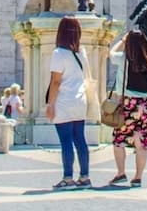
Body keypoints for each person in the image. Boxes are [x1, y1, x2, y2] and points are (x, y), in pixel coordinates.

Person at [45, 15, 92, 189]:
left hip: (64, 101)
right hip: (80, 100)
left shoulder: (58, 53)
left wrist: (50, 105)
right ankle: (85, 176)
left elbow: (55, 82)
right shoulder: (82, 53)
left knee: (65, 141)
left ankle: (67, 177)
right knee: (80, 139)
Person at [107, 28, 147, 186]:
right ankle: (138, 177)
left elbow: (110, 52)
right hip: (144, 105)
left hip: (128, 103)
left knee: (119, 139)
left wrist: (122, 40)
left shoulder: (124, 59)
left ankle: (121, 173)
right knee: (141, 142)